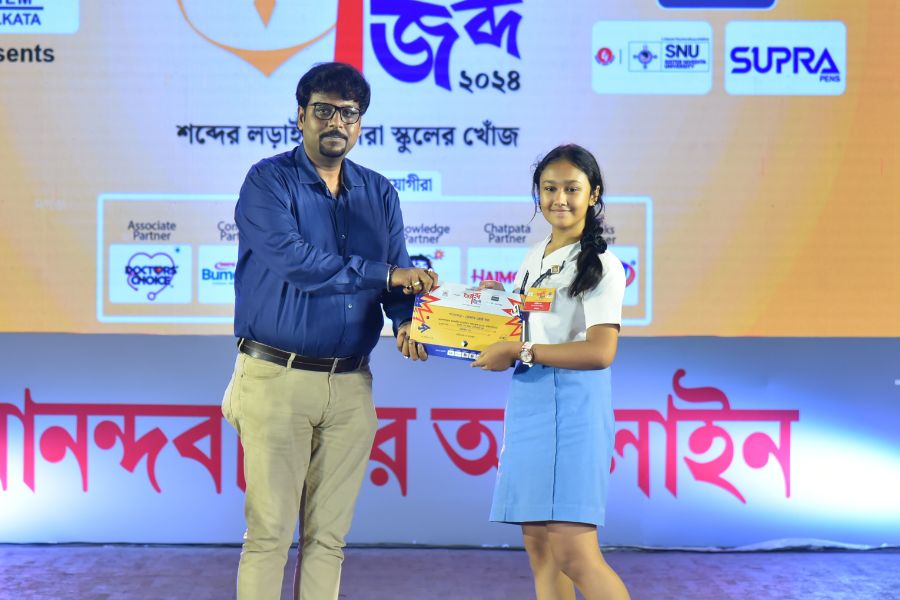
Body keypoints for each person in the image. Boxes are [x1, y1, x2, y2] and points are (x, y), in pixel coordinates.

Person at [222, 62, 436, 600]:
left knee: (328, 540)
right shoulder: (268, 182)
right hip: (276, 377)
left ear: (360, 124)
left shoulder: (379, 192)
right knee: (269, 535)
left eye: (349, 113)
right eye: (323, 110)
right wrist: (388, 275)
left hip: (350, 386)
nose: (336, 122)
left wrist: (406, 322)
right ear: (301, 116)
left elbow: (397, 274)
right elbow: (299, 263)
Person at [472, 144, 631, 600]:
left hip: (572, 412)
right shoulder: (536, 254)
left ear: (593, 194)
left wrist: (520, 349)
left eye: (572, 189)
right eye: (549, 188)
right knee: (540, 550)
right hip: (530, 406)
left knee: (574, 554)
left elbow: (601, 351)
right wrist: (497, 306)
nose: (559, 199)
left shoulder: (601, 265)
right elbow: (534, 324)